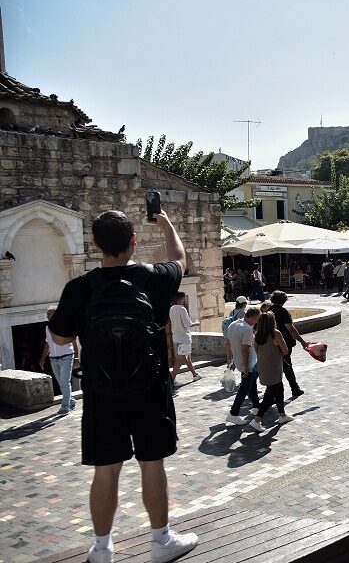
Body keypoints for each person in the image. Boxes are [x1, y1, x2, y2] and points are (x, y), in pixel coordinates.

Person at [47, 209, 197, 563]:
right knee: (152, 463)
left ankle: (102, 548)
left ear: (95, 244)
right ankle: (161, 541)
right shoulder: (154, 278)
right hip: (149, 388)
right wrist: (166, 225)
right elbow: (179, 258)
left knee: (106, 470)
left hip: (101, 392)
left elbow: (60, 334)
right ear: (133, 241)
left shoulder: (80, 288)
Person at [253, 311, 294, 428]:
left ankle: (282, 415)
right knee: (269, 395)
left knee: (279, 389)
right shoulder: (275, 333)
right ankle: (257, 420)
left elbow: (257, 351)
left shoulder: (257, 335)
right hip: (274, 367)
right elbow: (285, 351)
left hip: (263, 367)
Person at [226, 308, 262, 428]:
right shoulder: (247, 329)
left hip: (239, 361)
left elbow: (229, 344)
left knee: (251, 386)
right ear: (251, 317)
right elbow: (245, 349)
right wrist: (246, 367)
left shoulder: (232, 325)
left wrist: (231, 360)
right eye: (256, 320)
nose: (256, 323)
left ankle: (257, 406)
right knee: (244, 388)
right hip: (248, 363)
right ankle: (233, 413)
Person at [40, 306, 79, 414]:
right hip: (53, 359)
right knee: (61, 383)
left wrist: (76, 357)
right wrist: (43, 359)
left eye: (49, 314)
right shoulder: (47, 328)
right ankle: (71, 400)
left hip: (67, 357)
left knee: (64, 382)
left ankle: (65, 407)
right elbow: (48, 344)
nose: (47, 316)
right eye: (47, 314)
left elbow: (74, 342)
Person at [269, 291, 307, 400]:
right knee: (286, 366)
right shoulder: (283, 311)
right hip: (284, 343)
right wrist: (302, 341)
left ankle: (285, 390)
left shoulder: (268, 311)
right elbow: (291, 330)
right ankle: (293, 389)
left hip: (272, 343)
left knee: (278, 367)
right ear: (284, 300)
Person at [168, 292, 200, 382]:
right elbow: (187, 324)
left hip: (176, 337)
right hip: (184, 337)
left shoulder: (171, 309)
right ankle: (172, 378)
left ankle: (195, 374)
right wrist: (196, 323)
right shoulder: (182, 309)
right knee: (181, 358)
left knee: (187, 358)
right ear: (181, 299)